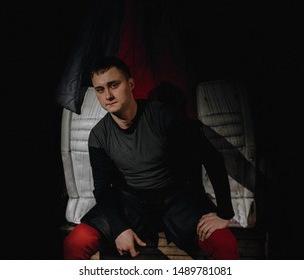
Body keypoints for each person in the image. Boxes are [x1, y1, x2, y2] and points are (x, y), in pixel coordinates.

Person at [63, 56, 239, 260]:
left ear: (130, 84)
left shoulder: (163, 116)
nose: (108, 95)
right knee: (75, 243)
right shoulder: (99, 135)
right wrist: (120, 229)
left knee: (225, 244)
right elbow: (102, 189)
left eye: (114, 85)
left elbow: (212, 157)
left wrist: (225, 213)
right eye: (100, 90)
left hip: (174, 198)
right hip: (131, 200)